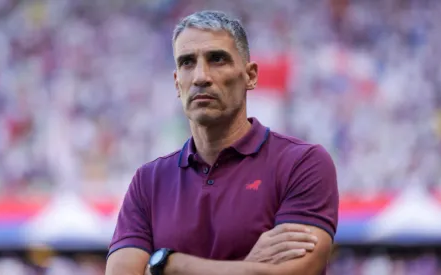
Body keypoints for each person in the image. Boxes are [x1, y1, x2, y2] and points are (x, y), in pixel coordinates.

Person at [106, 10, 339, 275]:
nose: (201, 76)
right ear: (176, 83)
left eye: (217, 59)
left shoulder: (302, 163)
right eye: (187, 62)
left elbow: (297, 272)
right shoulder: (148, 181)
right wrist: (246, 267)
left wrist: (167, 264)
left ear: (250, 76)